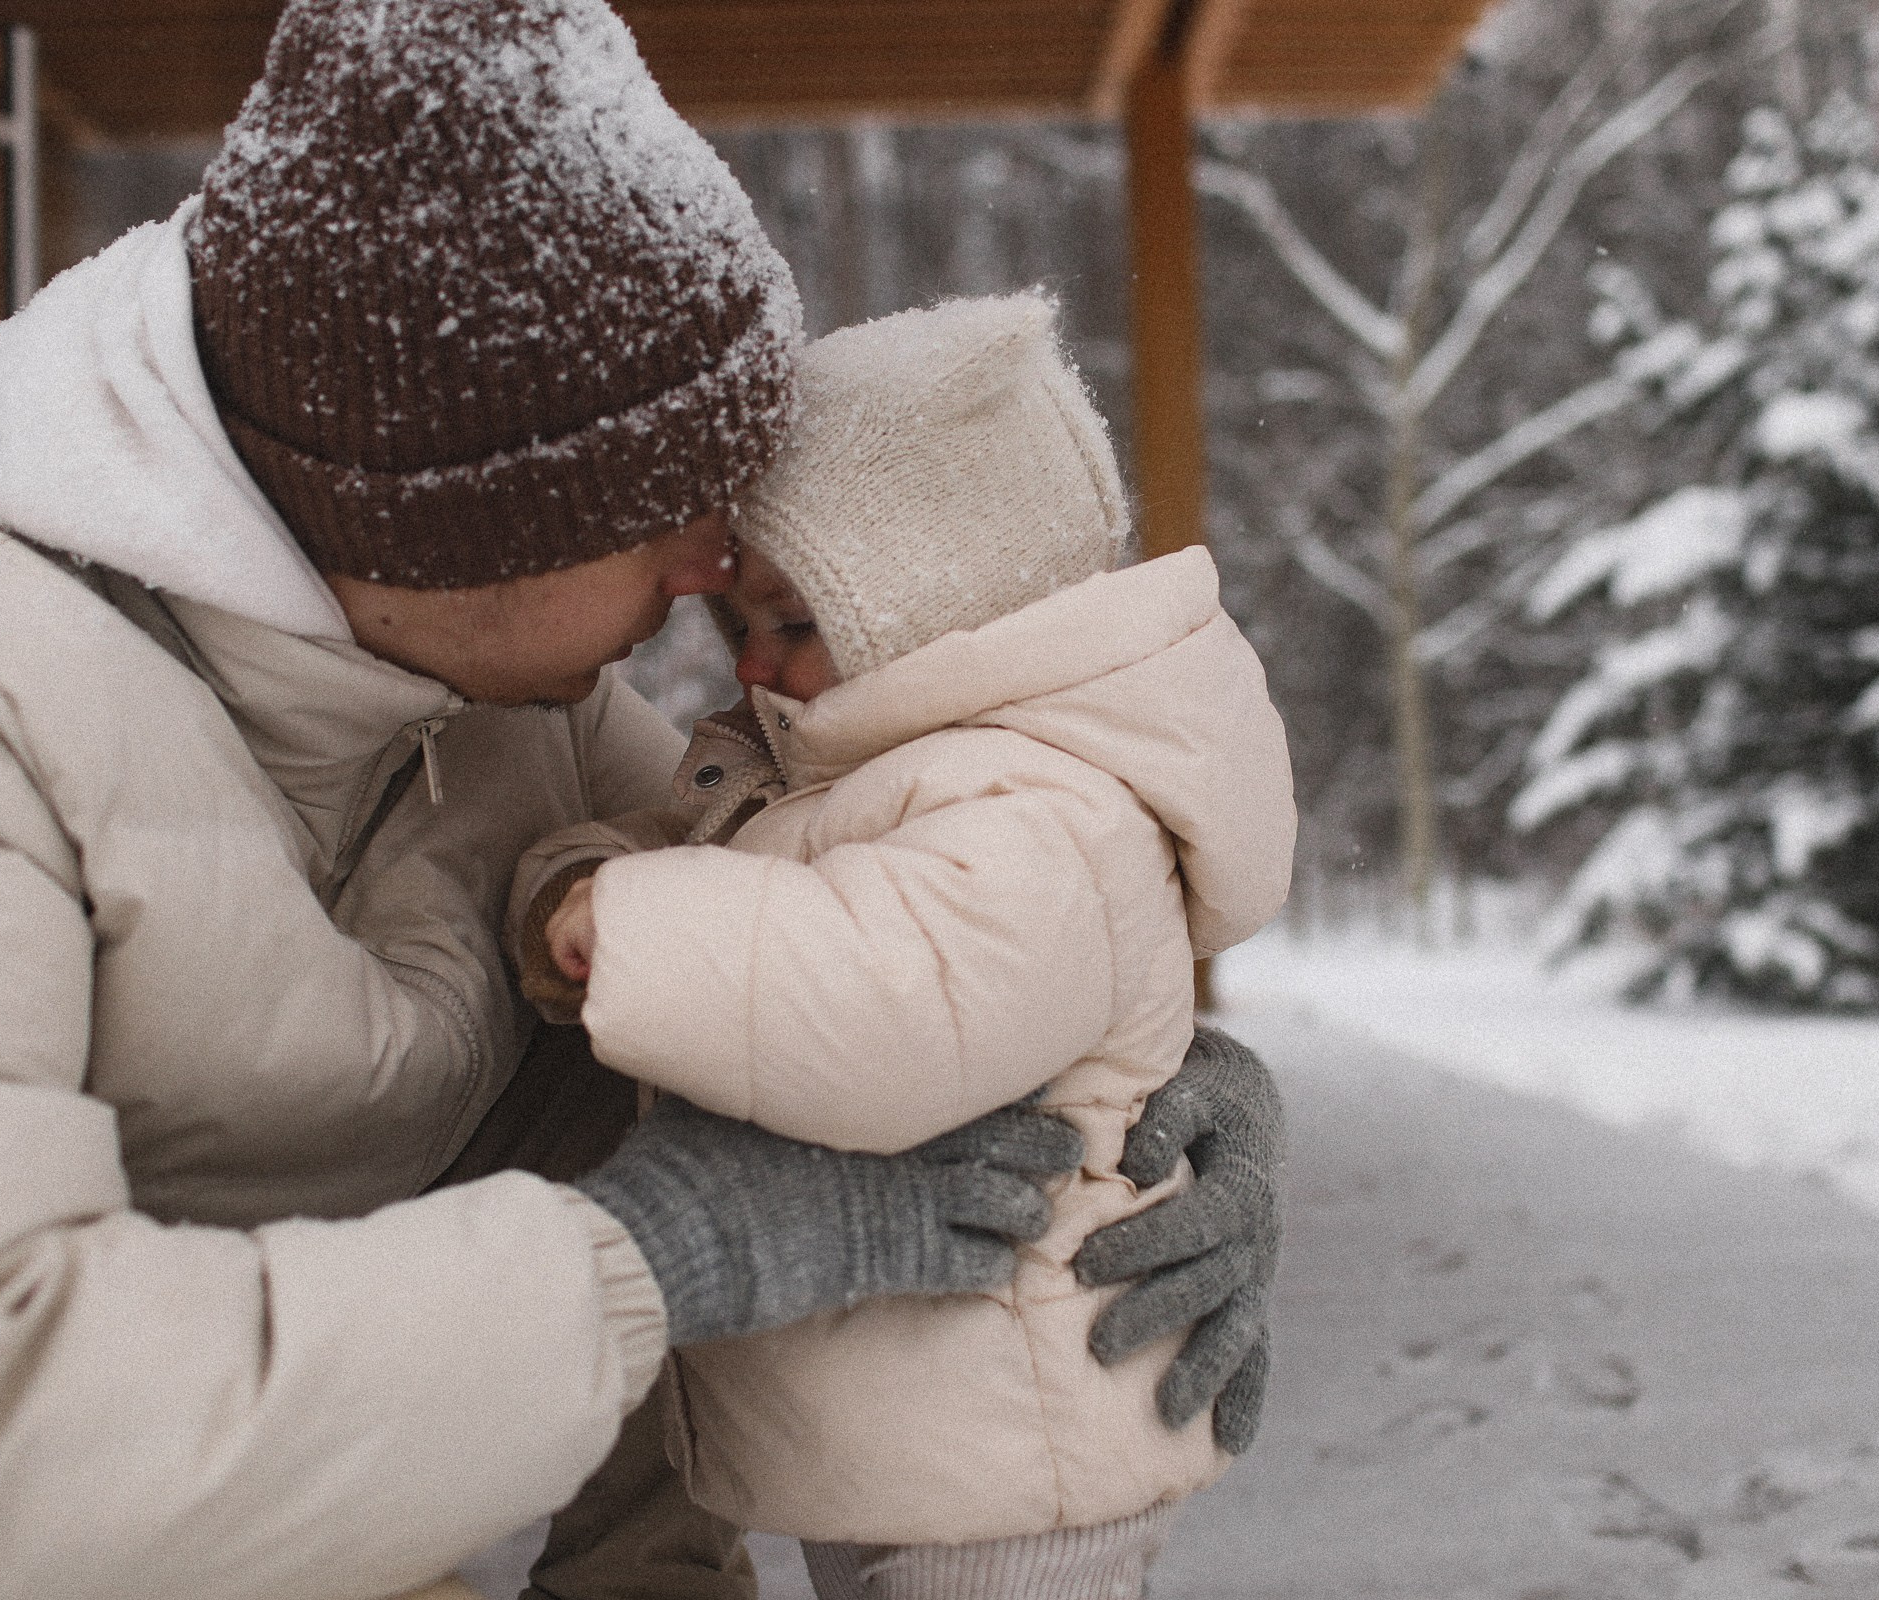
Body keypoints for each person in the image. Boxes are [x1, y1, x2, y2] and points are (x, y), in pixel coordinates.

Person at [0, 2, 1283, 1598]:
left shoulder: (515, 711)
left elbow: (835, 927)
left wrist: (1122, 1073)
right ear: (454, 526)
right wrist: (658, 1259)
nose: (715, 565)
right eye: (665, 502)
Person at [511, 293, 1296, 1599]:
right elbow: (663, 856)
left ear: (938, 598)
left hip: (1015, 1460)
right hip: (917, 1432)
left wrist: (632, 933)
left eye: (798, 624)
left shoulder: (1033, 804)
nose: (758, 666)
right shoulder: (847, 775)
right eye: (740, 627)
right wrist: (581, 896)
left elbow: (893, 1014)